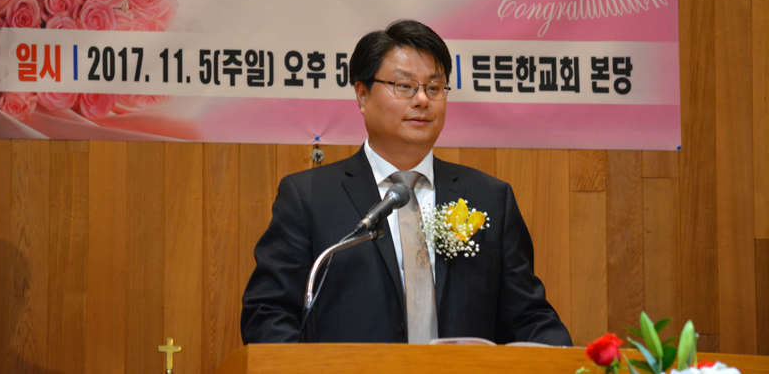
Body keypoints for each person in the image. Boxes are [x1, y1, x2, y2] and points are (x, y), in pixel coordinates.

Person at [240, 20, 571, 346]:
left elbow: (528, 318)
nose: (422, 100)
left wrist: (566, 356)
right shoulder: (309, 198)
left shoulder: (489, 198)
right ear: (362, 95)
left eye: (434, 88)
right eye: (404, 86)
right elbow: (267, 314)